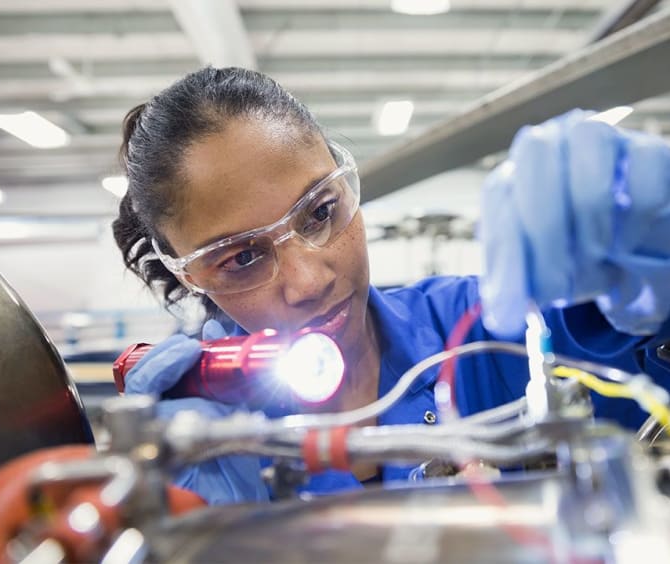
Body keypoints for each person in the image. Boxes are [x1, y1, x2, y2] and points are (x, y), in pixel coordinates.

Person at [112, 66, 670, 506]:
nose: (309, 280)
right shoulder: (196, 436)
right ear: (190, 275)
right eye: (242, 258)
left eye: (318, 213)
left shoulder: (486, 328)